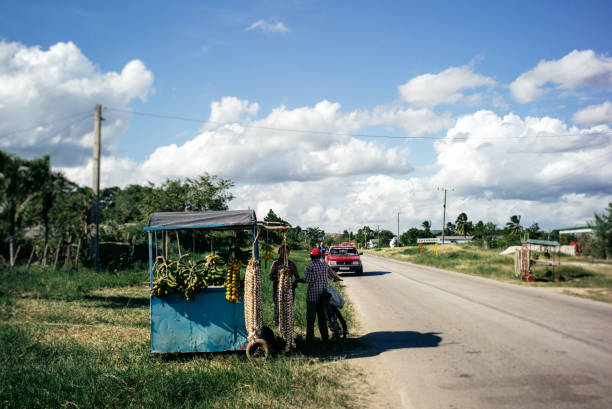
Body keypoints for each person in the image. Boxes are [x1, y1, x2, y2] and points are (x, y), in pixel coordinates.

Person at [303, 247, 341, 345]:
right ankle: (325, 340)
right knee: (322, 320)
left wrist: (297, 280)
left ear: (311, 257)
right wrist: (335, 279)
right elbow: (334, 276)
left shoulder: (309, 267)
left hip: (312, 298)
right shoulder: (325, 266)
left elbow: (306, 280)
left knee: (310, 321)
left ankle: (309, 342)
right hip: (323, 298)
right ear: (320, 256)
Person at [269, 245, 300, 326]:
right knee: (278, 309)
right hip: (277, 290)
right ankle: (279, 328)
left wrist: (292, 284)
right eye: (282, 252)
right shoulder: (275, 263)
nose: (284, 254)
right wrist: (279, 278)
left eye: (286, 252)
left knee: (288, 311)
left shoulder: (291, 264)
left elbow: (297, 277)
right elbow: (270, 276)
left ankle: (287, 329)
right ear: (279, 252)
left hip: (289, 291)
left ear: (289, 253)